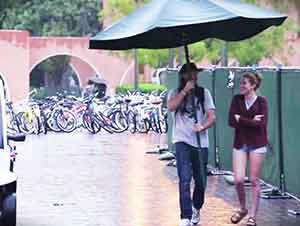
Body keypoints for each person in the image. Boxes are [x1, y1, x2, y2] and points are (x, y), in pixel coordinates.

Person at [167, 62, 216, 226]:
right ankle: (185, 216)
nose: (193, 77)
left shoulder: (204, 93)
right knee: (185, 179)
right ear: (183, 76)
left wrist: (203, 126)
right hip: (182, 140)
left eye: (195, 74)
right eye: (190, 74)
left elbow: (212, 116)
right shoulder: (175, 93)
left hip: (200, 143)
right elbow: (171, 107)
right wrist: (185, 91)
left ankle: (196, 207)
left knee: (201, 181)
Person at [228, 72, 268, 226]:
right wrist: (250, 120)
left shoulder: (262, 102)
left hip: (257, 144)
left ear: (253, 85)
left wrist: (241, 119)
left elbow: (260, 125)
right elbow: (231, 121)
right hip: (240, 143)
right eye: (241, 83)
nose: (241, 86)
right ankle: (243, 208)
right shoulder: (236, 100)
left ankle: (253, 216)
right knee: (238, 179)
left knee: (253, 180)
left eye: (245, 83)